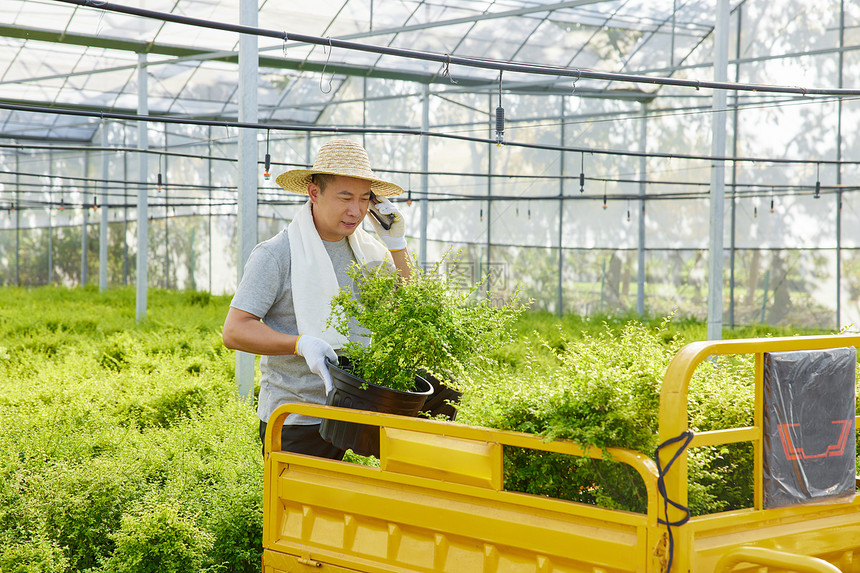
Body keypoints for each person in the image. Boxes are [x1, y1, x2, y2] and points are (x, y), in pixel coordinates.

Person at [221, 139, 411, 458]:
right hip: (298, 420)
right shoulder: (277, 254)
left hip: (357, 414)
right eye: (345, 197)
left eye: (365, 199)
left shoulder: (371, 253)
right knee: (299, 509)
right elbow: (234, 330)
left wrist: (397, 243)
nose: (356, 210)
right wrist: (298, 344)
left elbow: (411, 308)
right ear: (314, 193)